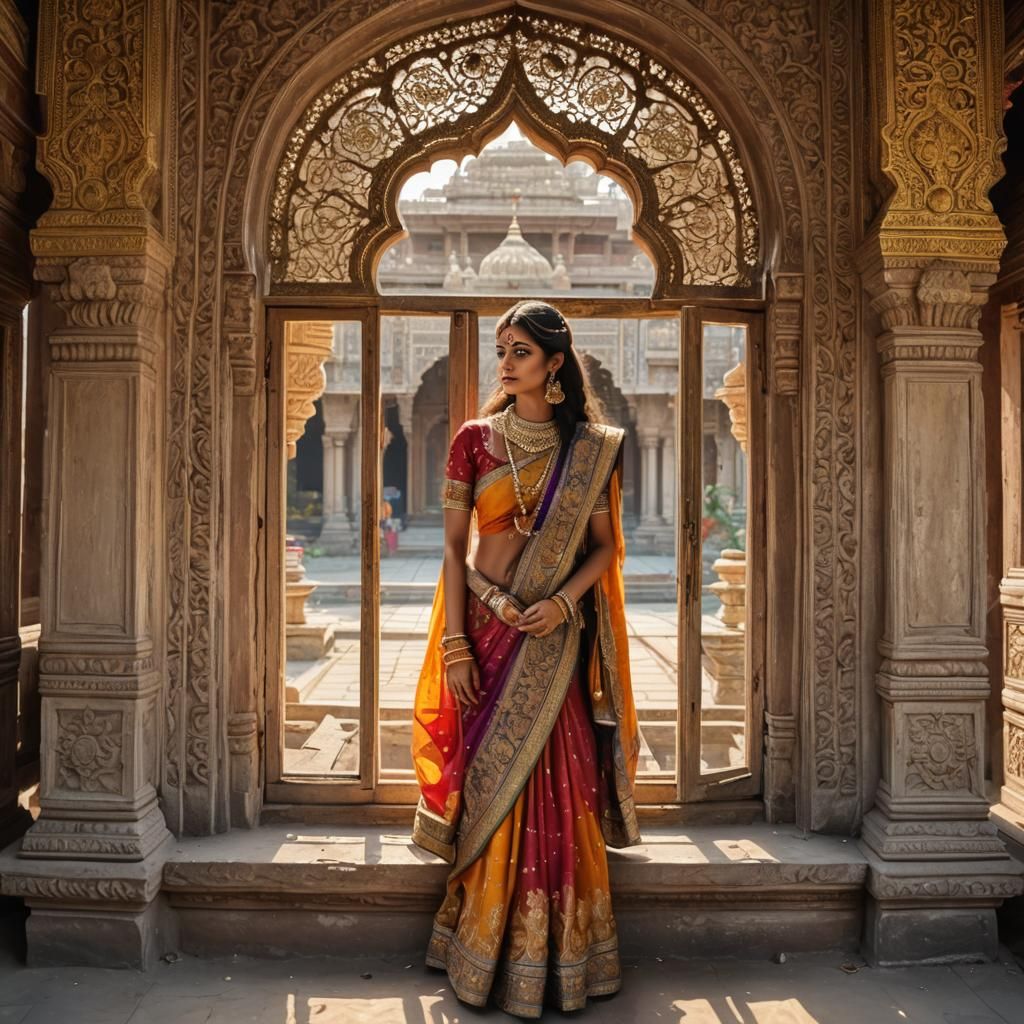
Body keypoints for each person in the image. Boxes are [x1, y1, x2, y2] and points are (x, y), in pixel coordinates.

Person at [411, 300, 641, 1018]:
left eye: (519, 353)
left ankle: (561, 958)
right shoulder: (474, 441)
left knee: (562, 786)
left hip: (553, 639)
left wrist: (565, 603)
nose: (504, 364)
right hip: (484, 633)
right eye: (502, 350)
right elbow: (454, 550)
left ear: (554, 366)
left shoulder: (592, 447)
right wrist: (457, 638)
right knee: (488, 784)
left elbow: (601, 548)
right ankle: (483, 950)